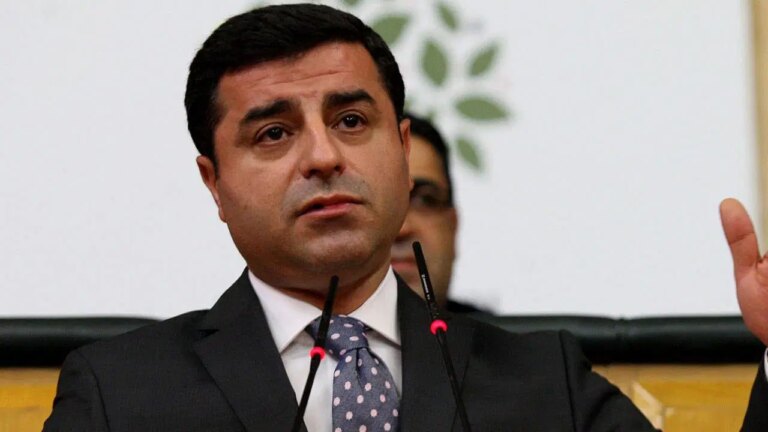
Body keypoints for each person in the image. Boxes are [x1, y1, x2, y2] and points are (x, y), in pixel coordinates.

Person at [44, 4, 659, 431]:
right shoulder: (118, 395)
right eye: (274, 132)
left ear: (402, 148)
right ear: (215, 184)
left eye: (350, 121)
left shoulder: (547, 383)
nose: (323, 157)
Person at [391, 112, 486, 313]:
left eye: (425, 200)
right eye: (375, 201)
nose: (402, 228)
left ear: (453, 227)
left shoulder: (502, 334)